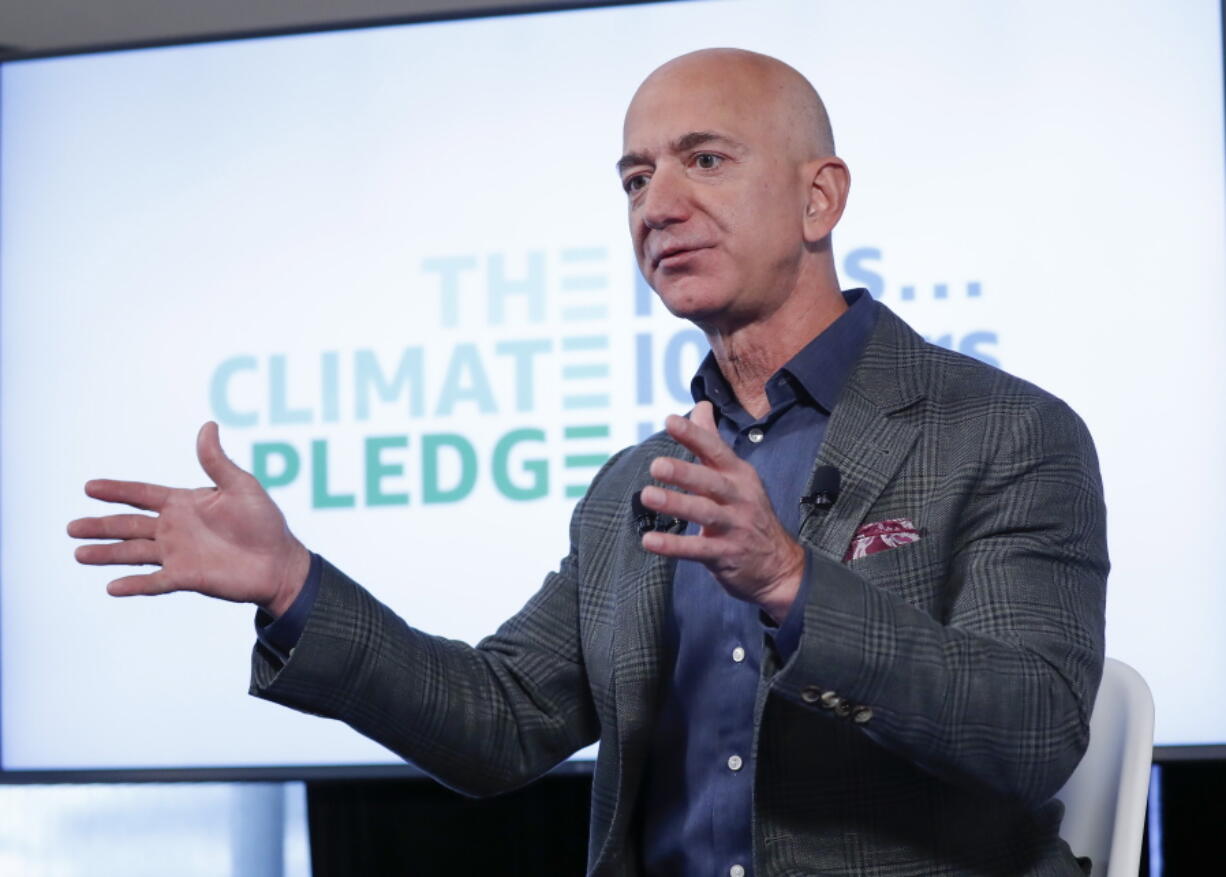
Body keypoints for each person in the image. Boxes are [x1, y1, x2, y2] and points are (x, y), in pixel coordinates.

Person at [69, 49, 1108, 876]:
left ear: (818, 200)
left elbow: (1031, 731)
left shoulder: (1002, 434)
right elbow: (499, 720)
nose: (655, 205)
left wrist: (793, 585)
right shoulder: (634, 488)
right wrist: (293, 585)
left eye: (703, 160)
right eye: (633, 177)